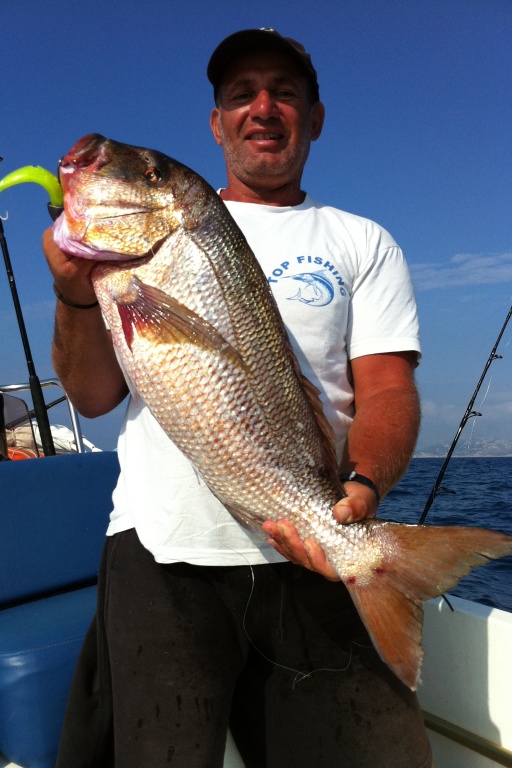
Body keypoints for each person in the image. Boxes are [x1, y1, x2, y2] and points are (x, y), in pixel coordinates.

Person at [43, 28, 432, 768]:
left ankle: (380, 564)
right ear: (217, 123)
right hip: (162, 555)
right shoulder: (118, 267)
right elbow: (92, 396)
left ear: (314, 117)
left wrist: (361, 488)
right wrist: (72, 294)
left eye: (284, 92)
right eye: (240, 95)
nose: (263, 107)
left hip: (314, 550)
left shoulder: (362, 240)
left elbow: (387, 387)